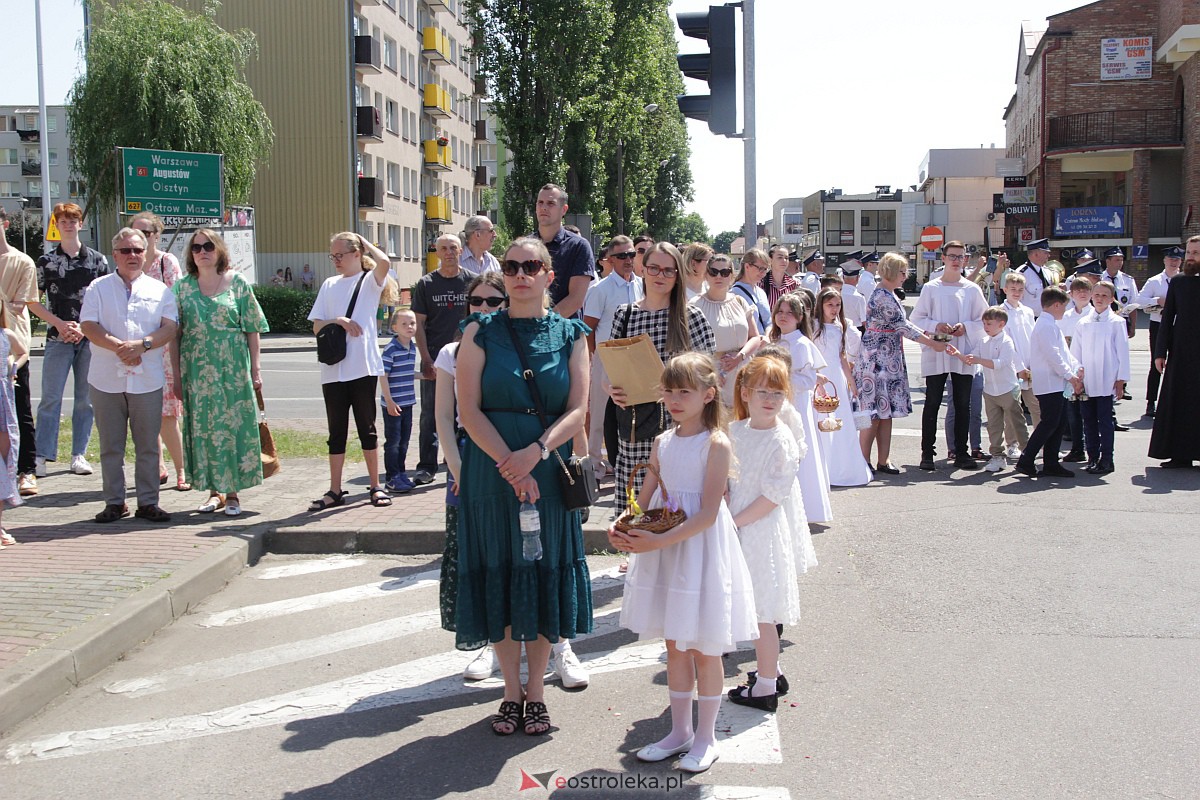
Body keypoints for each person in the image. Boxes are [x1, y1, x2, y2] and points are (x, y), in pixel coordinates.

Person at [454, 237, 593, 735]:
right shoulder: (478, 330)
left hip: (548, 470)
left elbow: (578, 409)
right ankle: (510, 693)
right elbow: (468, 411)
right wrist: (511, 466)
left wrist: (534, 455)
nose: (520, 273)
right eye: (511, 265)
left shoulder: (571, 334)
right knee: (501, 572)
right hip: (491, 475)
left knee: (541, 577)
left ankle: (536, 694)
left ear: (548, 275)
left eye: (531, 265)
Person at [609, 353, 758, 773]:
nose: (674, 399)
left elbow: (709, 514)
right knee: (675, 644)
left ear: (709, 395)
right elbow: (646, 496)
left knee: (704, 646)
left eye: (684, 391)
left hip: (700, 549)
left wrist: (659, 543)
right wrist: (621, 525)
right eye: (668, 390)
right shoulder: (661, 441)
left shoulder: (717, 443)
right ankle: (679, 732)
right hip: (668, 549)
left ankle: (707, 737)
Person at [726, 352, 816, 712]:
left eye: (777, 394)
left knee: (763, 611)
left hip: (759, 532)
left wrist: (735, 523)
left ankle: (765, 687)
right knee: (748, 608)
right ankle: (770, 670)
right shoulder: (734, 431)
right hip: (735, 527)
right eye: (761, 391)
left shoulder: (782, 441)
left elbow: (773, 497)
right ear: (744, 392)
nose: (769, 400)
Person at [433, 272, 507, 679]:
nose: (483, 309)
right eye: (476, 302)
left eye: (493, 302)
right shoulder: (450, 351)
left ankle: (555, 643)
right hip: (468, 460)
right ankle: (486, 644)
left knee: (526, 550)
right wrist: (458, 470)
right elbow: (444, 418)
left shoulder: (515, 347)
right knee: (475, 553)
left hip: (516, 455)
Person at [79, 228, 178, 523]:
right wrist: (119, 347)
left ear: (145, 254)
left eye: (137, 250)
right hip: (106, 379)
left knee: (148, 445)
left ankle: (148, 502)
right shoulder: (98, 287)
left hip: (146, 379)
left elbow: (169, 327)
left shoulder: (160, 290)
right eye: (126, 251)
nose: (132, 256)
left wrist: (142, 345)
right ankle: (114, 502)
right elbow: (88, 324)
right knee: (111, 446)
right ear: (115, 255)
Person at [608, 242, 716, 502]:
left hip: (682, 429)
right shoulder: (625, 315)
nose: (661, 275)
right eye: (654, 268)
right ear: (642, 269)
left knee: (676, 509)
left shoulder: (692, 317)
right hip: (636, 428)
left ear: (678, 274)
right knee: (635, 512)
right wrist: (613, 391)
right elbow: (608, 372)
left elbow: (711, 377)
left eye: (669, 270)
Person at [175, 229, 270, 517]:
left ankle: (232, 494)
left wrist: (255, 369)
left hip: (232, 369)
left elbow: (252, 328)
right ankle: (213, 492)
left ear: (219, 250)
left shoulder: (237, 283)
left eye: (208, 246)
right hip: (196, 370)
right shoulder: (182, 288)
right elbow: (174, 335)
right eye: (196, 248)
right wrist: (176, 376)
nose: (202, 252)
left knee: (232, 429)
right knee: (204, 430)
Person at [307, 232, 394, 511]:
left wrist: (364, 241)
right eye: (332, 256)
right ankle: (335, 489)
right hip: (333, 368)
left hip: (362, 367)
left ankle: (375, 486)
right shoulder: (329, 284)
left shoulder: (368, 282)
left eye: (340, 255)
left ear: (357, 254)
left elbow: (385, 263)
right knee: (336, 431)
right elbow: (317, 326)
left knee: (367, 429)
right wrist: (339, 321)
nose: (336, 261)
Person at [29, 202, 108, 479]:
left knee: (85, 400)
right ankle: (41, 456)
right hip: (57, 338)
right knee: (50, 399)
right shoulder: (46, 262)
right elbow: (32, 301)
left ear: (80, 224)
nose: (68, 225)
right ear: (56, 225)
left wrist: (85, 329)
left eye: (73, 220)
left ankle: (79, 454)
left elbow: (104, 301)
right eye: (63, 221)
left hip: (89, 339)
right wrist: (60, 324)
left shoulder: (98, 261)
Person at [738, 294, 833, 522]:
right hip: (774, 404)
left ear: (800, 317)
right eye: (779, 312)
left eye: (789, 313)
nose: (783, 316)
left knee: (795, 453)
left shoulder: (802, 344)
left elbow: (808, 380)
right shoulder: (773, 340)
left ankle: (804, 508)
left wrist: (781, 382)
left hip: (795, 405)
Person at [854, 252, 947, 473]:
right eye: (903, 272)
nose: (905, 276)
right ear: (892, 272)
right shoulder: (884, 297)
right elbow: (903, 327)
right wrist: (932, 342)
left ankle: (882, 460)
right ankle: (863, 461)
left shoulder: (888, 293)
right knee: (874, 414)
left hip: (886, 356)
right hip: (878, 359)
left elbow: (904, 324)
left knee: (886, 413)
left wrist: (930, 335)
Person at [911, 241, 988, 471]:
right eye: (952, 256)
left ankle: (961, 451)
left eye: (961, 257)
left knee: (963, 403)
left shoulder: (971, 290)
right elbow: (916, 319)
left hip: (962, 351)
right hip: (937, 350)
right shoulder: (931, 288)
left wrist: (966, 327)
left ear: (966, 260)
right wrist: (937, 325)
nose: (956, 260)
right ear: (943, 258)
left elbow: (984, 320)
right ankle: (927, 452)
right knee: (933, 402)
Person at [129, 212, 188, 491]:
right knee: (145, 412)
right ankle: (158, 466)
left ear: (157, 235)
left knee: (167, 414)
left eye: (147, 233)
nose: (141, 238)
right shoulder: (128, 265)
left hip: (163, 348)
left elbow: (176, 305)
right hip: (136, 349)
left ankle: (181, 470)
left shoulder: (167, 262)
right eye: (135, 232)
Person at [412, 233, 476, 485]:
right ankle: (426, 466)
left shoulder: (471, 282)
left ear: (461, 251)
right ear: (436, 253)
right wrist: (426, 358)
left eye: (453, 248)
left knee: (467, 410)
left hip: (467, 358)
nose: (449, 252)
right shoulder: (426, 284)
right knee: (430, 414)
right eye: (443, 248)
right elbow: (418, 324)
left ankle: (461, 461)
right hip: (435, 359)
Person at [582, 235, 642, 477]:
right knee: (599, 413)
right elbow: (588, 327)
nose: (628, 260)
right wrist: (598, 355)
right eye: (621, 256)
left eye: (631, 254)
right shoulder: (600, 289)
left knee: (633, 412)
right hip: (606, 358)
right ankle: (595, 462)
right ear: (610, 259)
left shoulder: (640, 285)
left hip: (636, 358)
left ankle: (631, 462)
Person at [946, 306, 1027, 474]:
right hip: (990, 391)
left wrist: (978, 360)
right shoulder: (983, 342)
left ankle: (1027, 453)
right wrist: (958, 354)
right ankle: (997, 456)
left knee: (1016, 422)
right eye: (984, 323)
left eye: (989, 323)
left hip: (1008, 388)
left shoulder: (1007, 341)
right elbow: (971, 359)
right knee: (994, 425)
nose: (986, 327)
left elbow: (1000, 363)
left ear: (1001, 324)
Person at [1015, 287, 1084, 479]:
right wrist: (1070, 375)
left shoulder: (1050, 324)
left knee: (1058, 423)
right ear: (1056, 305)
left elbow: (1063, 353)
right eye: (1063, 306)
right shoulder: (1045, 326)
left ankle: (1051, 462)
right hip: (1049, 382)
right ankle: (1027, 459)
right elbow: (1053, 356)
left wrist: (1076, 367)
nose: (1064, 310)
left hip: (1055, 382)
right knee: (1049, 423)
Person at [811, 288, 873, 486]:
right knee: (820, 418)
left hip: (836, 376)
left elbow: (842, 355)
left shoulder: (839, 327)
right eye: (830, 305)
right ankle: (822, 467)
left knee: (840, 421)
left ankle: (842, 467)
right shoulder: (813, 326)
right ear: (821, 305)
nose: (834, 309)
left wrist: (851, 381)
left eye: (837, 305)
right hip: (820, 375)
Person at [1148, 235, 1200, 468]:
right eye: (1189, 252)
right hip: (1181, 353)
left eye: (1196, 253)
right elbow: (1167, 319)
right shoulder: (1178, 282)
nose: (1190, 257)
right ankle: (1180, 455)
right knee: (1180, 403)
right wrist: (1160, 353)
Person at [1069, 281, 1130, 475]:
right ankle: (1092, 456)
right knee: (1088, 419)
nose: (1100, 299)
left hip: (1106, 379)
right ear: (1092, 297)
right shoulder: (1083, 323)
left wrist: (1121, 380)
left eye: (1105, 295)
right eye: (1097, 295)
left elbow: (1122, 353)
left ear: (1112, 299)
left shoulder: (1116, 323)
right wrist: (1076, 376)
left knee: (1105, 421)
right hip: (1087, 380)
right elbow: (1075, 352)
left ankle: (1107, 459)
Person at [0, 206, 39, 497]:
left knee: (19, 409)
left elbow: (17, 304)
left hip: (13, 345)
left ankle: (27, 470)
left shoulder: (21, 261)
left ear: (5, 223)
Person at [689, 253, 755, 406]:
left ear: (731, 276)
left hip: (742, 371)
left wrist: (740, 356)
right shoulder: (694, 305)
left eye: (724, 272)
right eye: (713, 272)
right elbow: (690, 347)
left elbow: (755, 337)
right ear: (706, 275)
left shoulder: (740, 301)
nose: (719, 276)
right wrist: (711, 372)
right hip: (712, 374)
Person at [532, 184, 595, 319]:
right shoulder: (525, 246)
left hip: (565, 331)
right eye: (540, 202)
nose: (544, 207)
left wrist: (544, 324)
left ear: (564, 209)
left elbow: (576, 299)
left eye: (550, 203)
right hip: (526, 329)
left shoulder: (579, 246)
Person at [1136, 245, 1181, 418]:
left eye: (1177, 259)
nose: (1173, 262)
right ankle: (1151, 402)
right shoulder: (1155, 281)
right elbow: (1139, 300)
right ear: (1164, 260)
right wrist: (1157, 300)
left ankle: (1175, 402)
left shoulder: (1187, 279)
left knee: (1178, 365)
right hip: (1159, 326)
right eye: (1170, 259)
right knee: (1156, 364)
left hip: (1179, 326)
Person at [379, 308, 418, 494]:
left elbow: (407, 373)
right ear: (394, 327)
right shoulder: (391, 349)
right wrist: (389, 401)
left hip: (408, 402)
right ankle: (391, 478)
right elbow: (383, 376)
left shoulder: (412, 347)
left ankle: (401, 473)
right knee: (393, 442)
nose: (409, 327)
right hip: (393, 404)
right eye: (404, 324)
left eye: (412, 323)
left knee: (404, 441)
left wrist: (427, 375)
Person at [1057, 276, 1094, 462]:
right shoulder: (1066, 316)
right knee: (1072, 412)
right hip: (1071, 371)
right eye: (1078, 291)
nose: (1082, 294)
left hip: (1091, 370)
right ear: (1071, 295)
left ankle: (1093, 449)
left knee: (1090, 412)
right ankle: (1077, 448)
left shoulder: (1095, 315)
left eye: (1085, 291)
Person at [0, 301, 27, 546]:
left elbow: (22, 351)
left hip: (3, 405)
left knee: (4, 463)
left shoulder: (6, 334)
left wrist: (12, 366)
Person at [1100, 246, 1139, 339]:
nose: (1120, 263)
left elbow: (1133, 305)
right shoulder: (1099, 279)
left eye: (1121, 260)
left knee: (1121, 350)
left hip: (1122, 320)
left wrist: (1133, 326)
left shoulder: (1128, 280)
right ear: (1108, 261)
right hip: (1103, 320)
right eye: (1117, 260)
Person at [731, 249, 771, 334]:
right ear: (747, 266)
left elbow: (768, 322)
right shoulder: (734, 293)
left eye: (765, 269)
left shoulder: (761, 292)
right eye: (760, 268)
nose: (763, 273)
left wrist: (767, 336)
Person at [1016, 238, 1054, 317]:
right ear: (1035, 254)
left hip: (1047, 316)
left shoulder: (1047, 272)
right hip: (1029, 317)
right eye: (1045, 253)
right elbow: (1016, 298)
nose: (1048, 255)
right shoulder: (1021, 273)